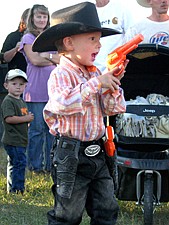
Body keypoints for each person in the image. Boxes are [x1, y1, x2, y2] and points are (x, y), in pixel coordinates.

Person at [32, 2, 128, 224]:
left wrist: (113, 85)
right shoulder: (60, 74)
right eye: (92, 39)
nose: (99, 45)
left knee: (107, 207)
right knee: (68, 213)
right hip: (71, 154)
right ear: (69, 42)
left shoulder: (96, 73)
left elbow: (113, 109)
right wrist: (96, 85)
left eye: (99, 39)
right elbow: (62, 104)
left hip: (99, 150)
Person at [19, 4, 60, 174]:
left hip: (54, 90)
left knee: (52, 130)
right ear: (32, 19)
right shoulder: (28, 37)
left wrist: (47, 56)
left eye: (44, 17)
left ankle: (50, 166)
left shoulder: (53, 36)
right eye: (39, 17)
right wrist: (52, 59)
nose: (42, 20)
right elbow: (34, 60)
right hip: (35, 90)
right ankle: (35, 166)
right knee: (36, 130)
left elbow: (62, 58)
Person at [1, 69, 34, 194]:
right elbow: (9, 119)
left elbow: (22, 115)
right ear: (6, 85)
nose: (18, 87)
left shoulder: (20, 100)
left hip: (20, 139)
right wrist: (25, 118)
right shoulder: (8, 101)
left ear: (25, 86)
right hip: (13, 140)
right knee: (19, 164)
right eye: (14, 84)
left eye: (21, 84)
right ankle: (17, 189)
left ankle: (12, 188)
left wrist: (27, 120)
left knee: (15, 163)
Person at [94, 0, 135, 72]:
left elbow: (131, 38)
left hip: (115, 68)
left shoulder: (121, 9)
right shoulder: (88, 12)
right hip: (93, 71)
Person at [1, 8, 30, 72]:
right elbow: (4, 59)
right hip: (17, 77)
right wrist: (16, 49)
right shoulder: (13, 36)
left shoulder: (42, 37)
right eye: (29, 19)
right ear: (24, 20)